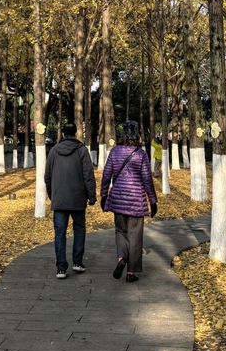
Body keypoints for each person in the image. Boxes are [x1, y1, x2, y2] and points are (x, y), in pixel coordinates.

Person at [100, 120, 158, 283]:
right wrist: (153, 201)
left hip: (118, 199)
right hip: (136, 200)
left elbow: (106, 175)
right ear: (137, 134)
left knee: (120, 231)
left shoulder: (115, 151)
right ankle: (131, 272)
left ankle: (121, 259)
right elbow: (147, 179)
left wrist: (104, 195)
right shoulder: (141, 154)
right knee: (135, 235)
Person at [45, 122, 96, 279]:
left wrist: (52, 195)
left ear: (63, 133)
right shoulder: (82, 151)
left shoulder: (53, 151)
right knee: (79, 229)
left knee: (59, 233)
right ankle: (77, 262)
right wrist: (92, 196)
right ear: (75, 133)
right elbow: (88, 175)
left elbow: (47, 176)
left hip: (59, 199)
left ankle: (61, 268)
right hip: (77, 198)